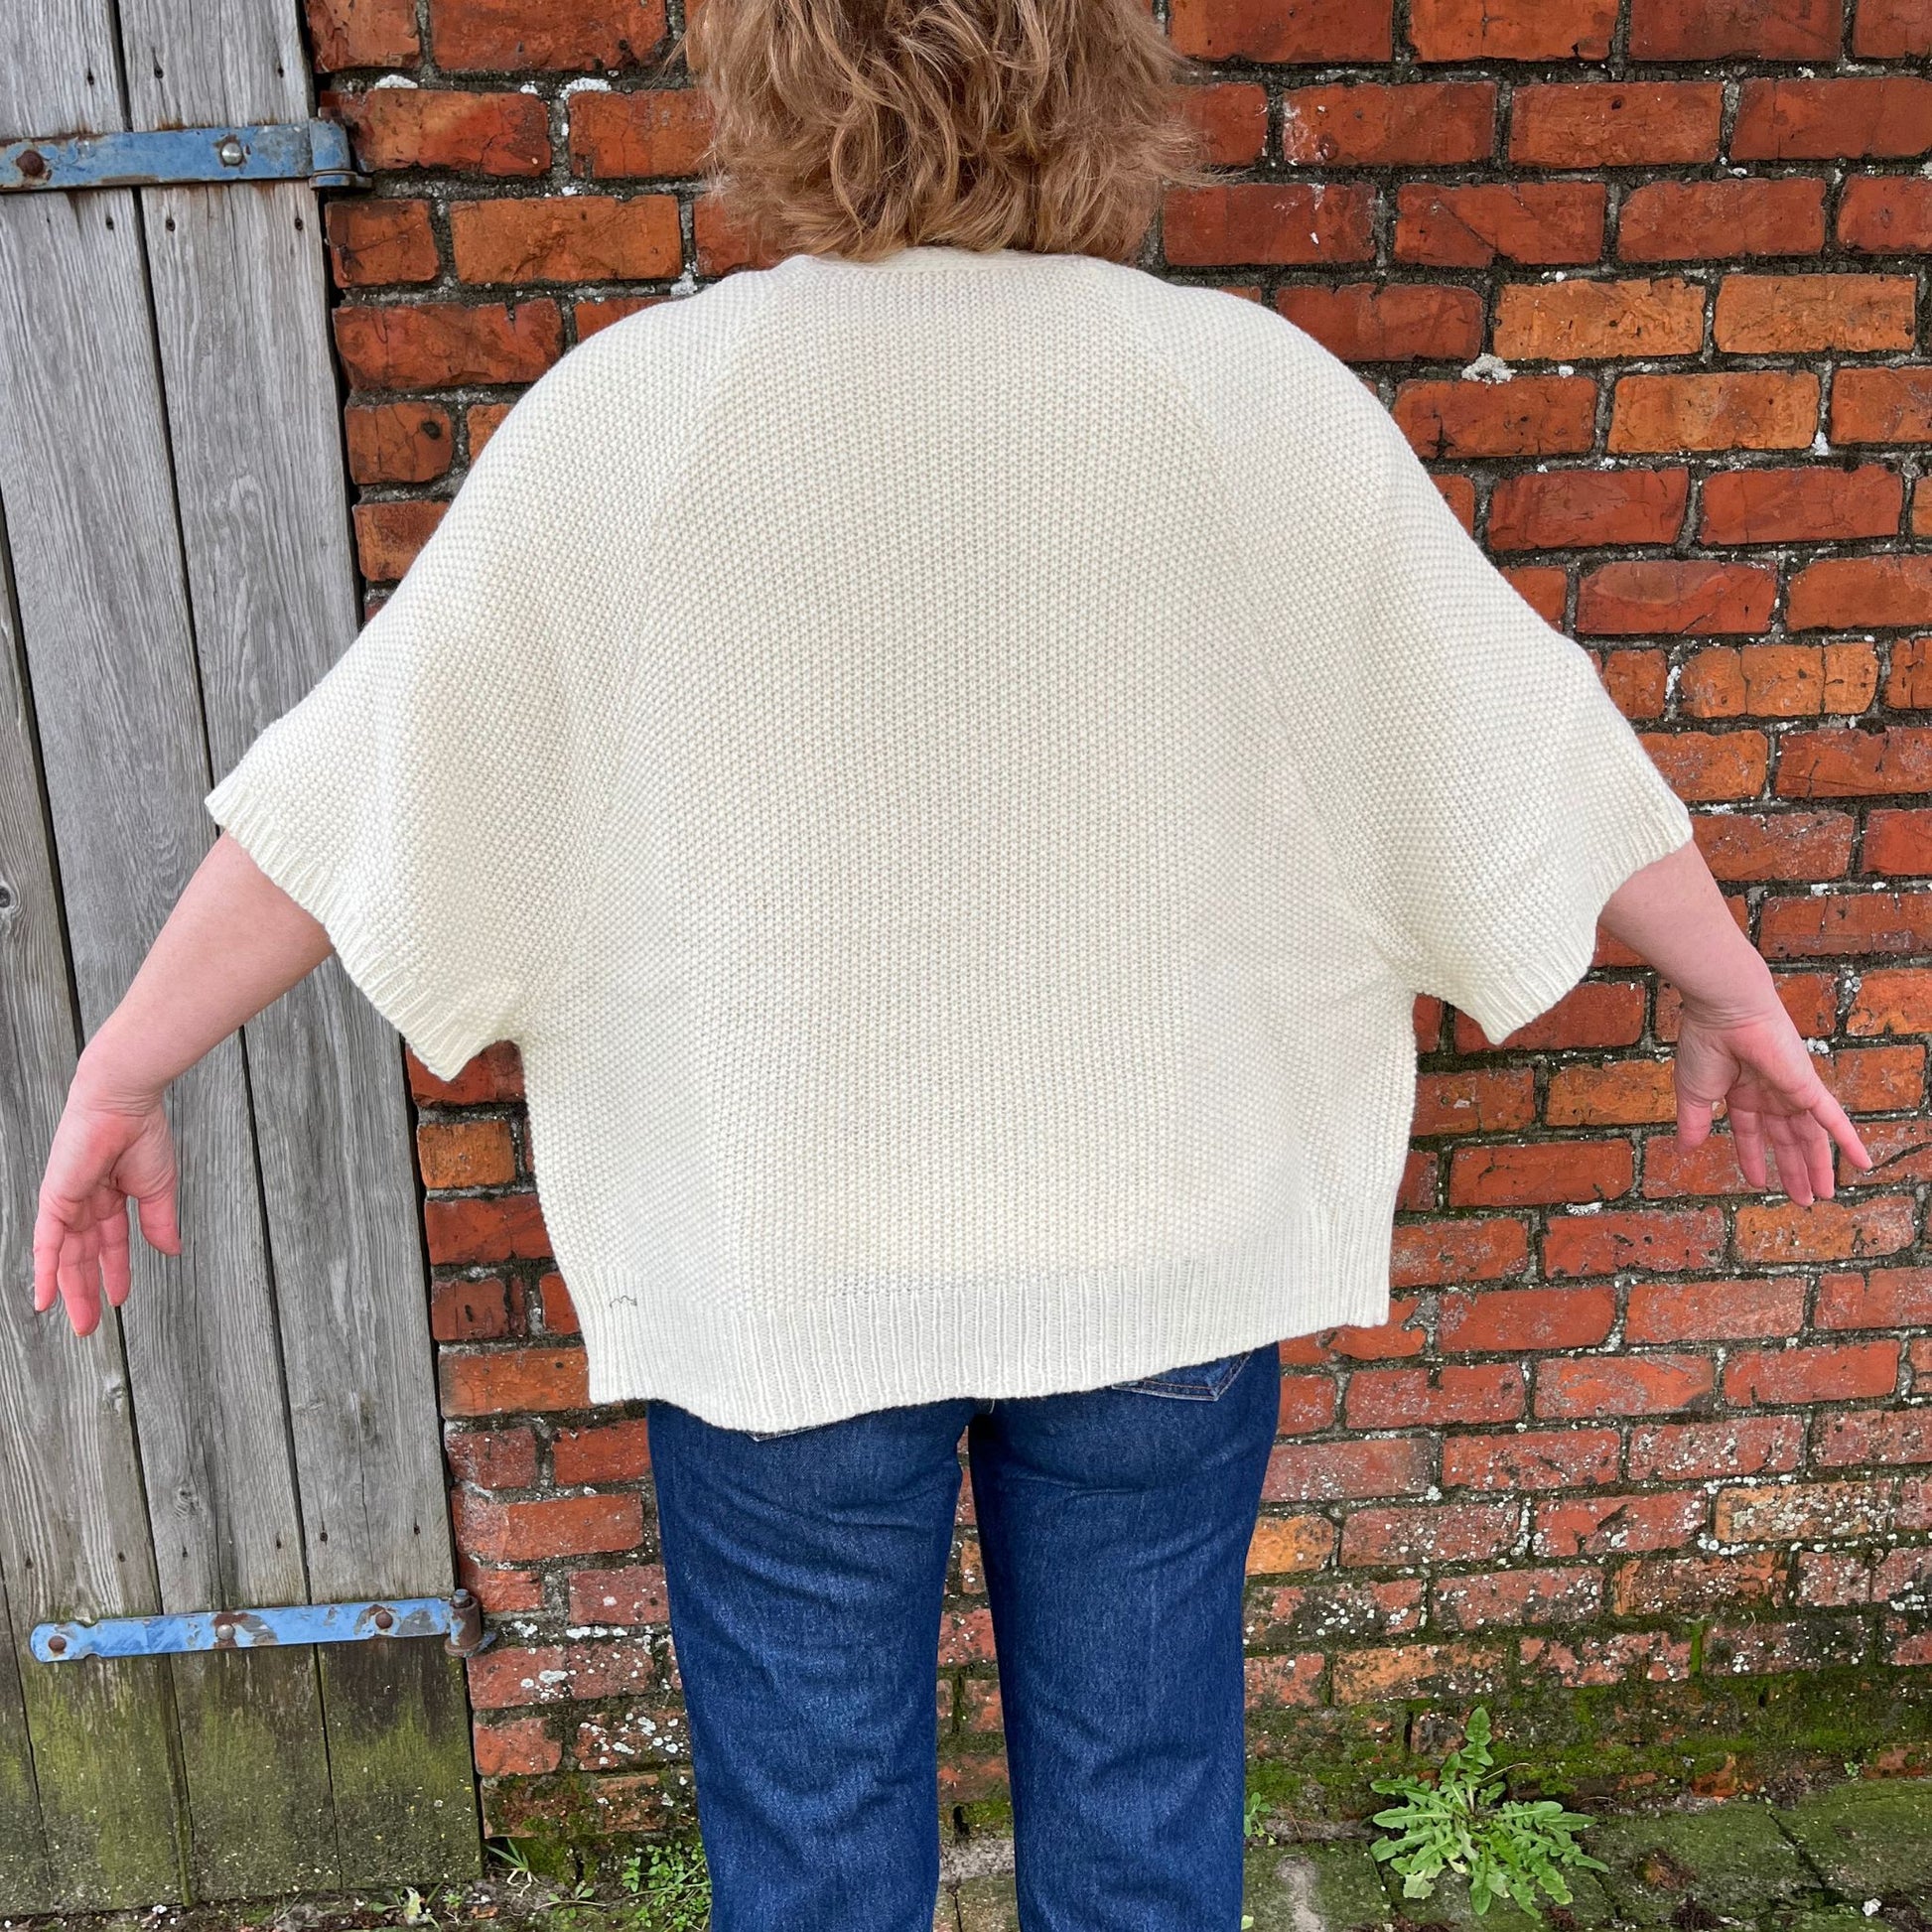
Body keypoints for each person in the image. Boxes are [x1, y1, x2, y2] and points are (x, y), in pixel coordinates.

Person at [33, 1, 1872, 1927]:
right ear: (1102, 76)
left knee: (815, 1851)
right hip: (1161, 1260)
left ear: (767, 77)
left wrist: (126, 1061)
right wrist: (1728, 986)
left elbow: (357, 792)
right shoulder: (1244, 395)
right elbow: (1522, 744)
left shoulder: (635, 416)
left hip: (779, 1275)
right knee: (1142, 1813)